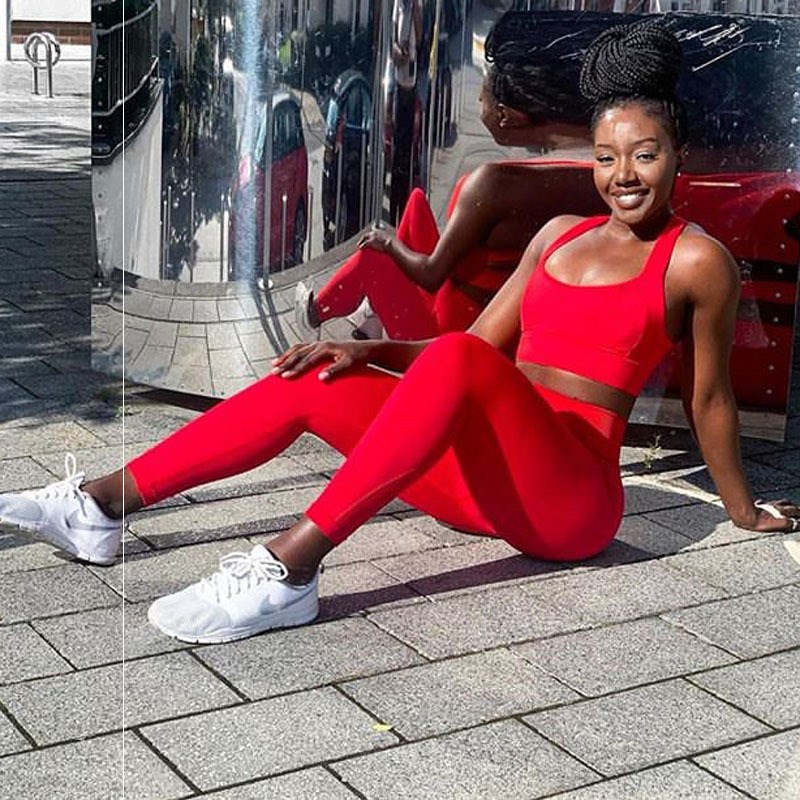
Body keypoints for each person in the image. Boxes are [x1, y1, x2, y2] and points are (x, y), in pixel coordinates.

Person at [2, 19, 798, 646]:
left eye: (645, 156)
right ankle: (101, 507)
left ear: (676, 155)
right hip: (480, 486)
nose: (623, 175)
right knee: (315, 376)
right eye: (604, 158)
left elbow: (711, 397)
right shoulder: (555, 236)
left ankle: (289, 570)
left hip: (572, 504)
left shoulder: (697, 260)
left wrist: (740, 511)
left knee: (453, 358)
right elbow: (477, 350)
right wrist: (364, 351)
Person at [295, 11, 594, 342]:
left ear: (509, 116)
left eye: (483, 98)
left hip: (451, 332)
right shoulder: (600, 173)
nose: (479, 103)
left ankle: (316, 313)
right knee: (416, 204)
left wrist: (389, 246)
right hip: (492, 304)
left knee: (372, 256)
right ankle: (372, 314)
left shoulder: (493, 184)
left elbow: (431, 274)